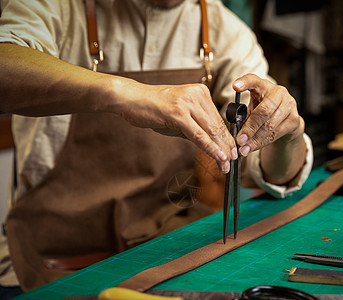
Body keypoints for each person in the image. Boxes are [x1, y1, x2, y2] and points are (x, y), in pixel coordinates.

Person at [0, 0, 313, 293]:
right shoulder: (57, 7)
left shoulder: (223, 30)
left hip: (168, 250)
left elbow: (267, 171)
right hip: (60, 258)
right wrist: (123, 93)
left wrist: (288, 135)